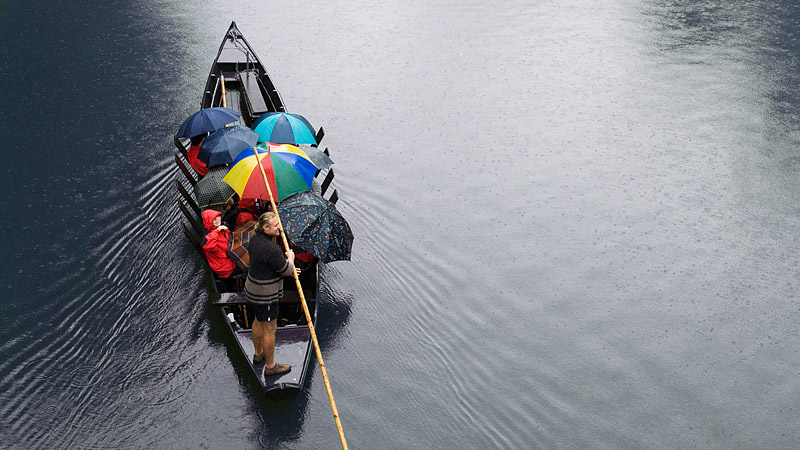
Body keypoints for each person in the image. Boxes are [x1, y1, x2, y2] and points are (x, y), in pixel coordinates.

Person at [245, 211, 295, 376]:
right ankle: (271, 366)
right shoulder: (271, 249)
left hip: (253, 289)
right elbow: (286, 270)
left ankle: (258, 354)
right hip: (265, 295)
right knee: (269, 329)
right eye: (276, 226)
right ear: (266, 228)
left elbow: (268, 264)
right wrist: (291, 258)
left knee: (258, 321)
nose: (279, 228)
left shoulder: (254, 239)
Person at [201, 209, 240, 278]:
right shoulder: (208, 238)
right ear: (209, 222)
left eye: (217, 217)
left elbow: (229, 239)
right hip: (225, 268)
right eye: (213, 219)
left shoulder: (221, 228)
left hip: (229, 257)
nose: (217, 220)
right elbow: (210, 246)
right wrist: (217, 230)